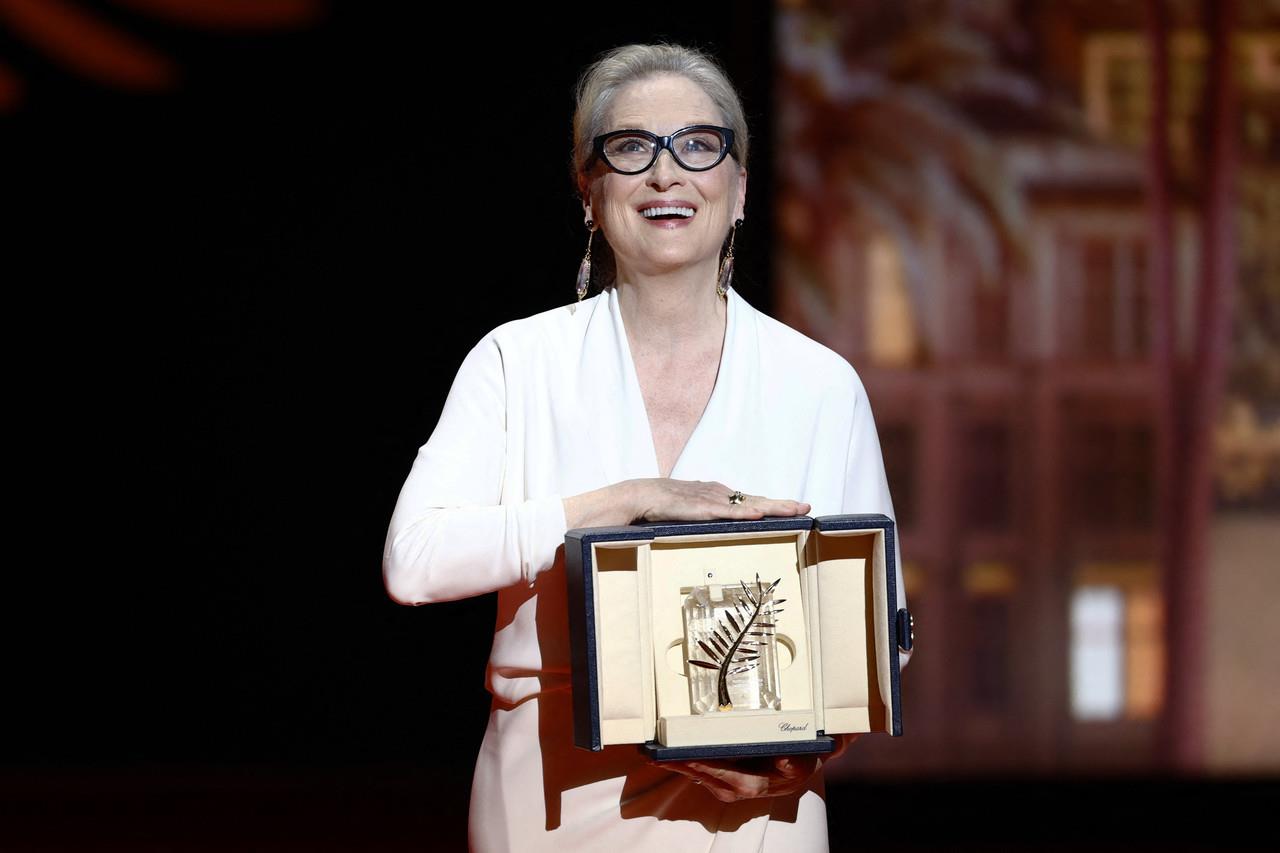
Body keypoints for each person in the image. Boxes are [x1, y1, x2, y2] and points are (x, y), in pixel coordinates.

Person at [382, 42, 911, 852]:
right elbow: (413, 562)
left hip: (755, 807)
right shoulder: (516, 362)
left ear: (739, 190)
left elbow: (876, 630)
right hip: (552, 797)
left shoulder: (820, 383)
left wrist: (803, 754)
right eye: (631, 148)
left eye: (700, 145)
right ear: (589, 193)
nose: (667, 173)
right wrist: (623, 502)